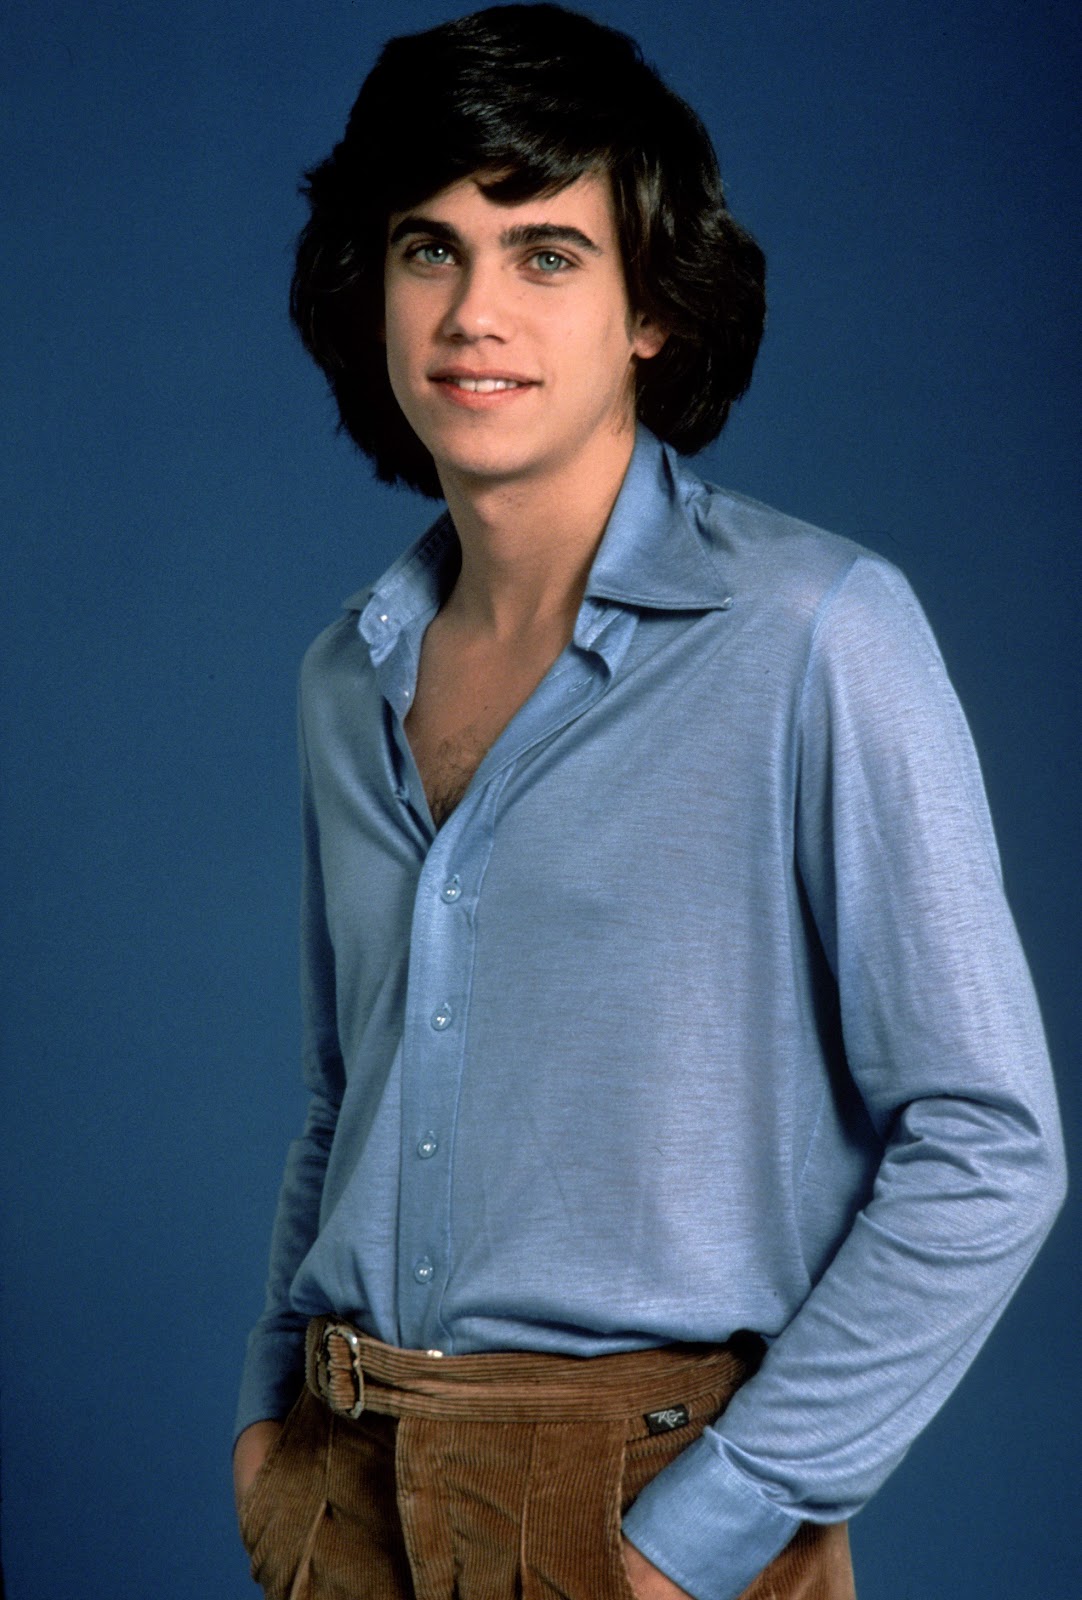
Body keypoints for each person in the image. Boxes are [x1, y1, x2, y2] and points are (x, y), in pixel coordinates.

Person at [233, 7, 1066, 1598]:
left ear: (651, 314)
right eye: (430, 249)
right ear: (372, 289)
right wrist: (266, 1426)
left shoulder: (819, 633)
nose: (476, 313)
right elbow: (348, 1090)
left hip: (635, 1496)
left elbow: (986, 1145)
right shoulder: (347, 676)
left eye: (545, 253)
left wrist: (707, 1531)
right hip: (341, 1481)